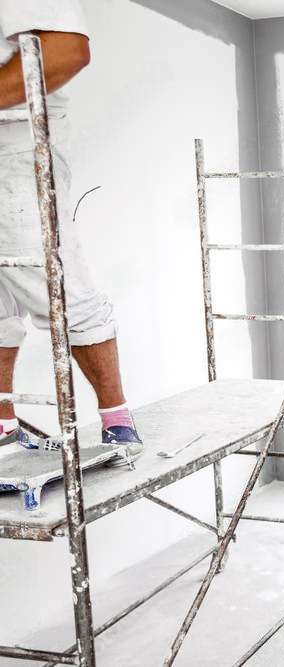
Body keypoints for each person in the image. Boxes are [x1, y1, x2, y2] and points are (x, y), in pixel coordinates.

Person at [0, 0, 142, 466]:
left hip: (16, 149)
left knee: (60, 290)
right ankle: (2, 424)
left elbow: (67, 50)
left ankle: (117, 420)